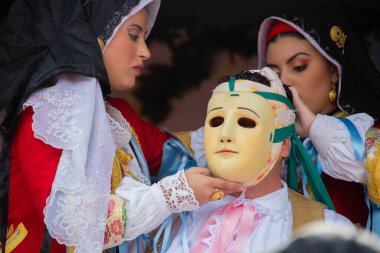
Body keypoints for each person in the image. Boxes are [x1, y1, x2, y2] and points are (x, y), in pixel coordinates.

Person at [0, 0, 244, 252]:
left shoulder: (118, 116)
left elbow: (181, 153)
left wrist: (248, 118)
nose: (145, 51)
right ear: (93, 38)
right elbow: (76, 226)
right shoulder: (45, 118)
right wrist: (171, 195)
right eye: (134, 35)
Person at [165, 68, 352, 253]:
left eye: (246, 122)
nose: (225, 135)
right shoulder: (180, 220)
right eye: (216, 121)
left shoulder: (326, 234)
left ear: (284, 144)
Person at [256, 2, 380, 231]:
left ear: (334, 71)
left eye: (299, 66)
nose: (285, 81)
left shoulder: (366, 133)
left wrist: (315, 126)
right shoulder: (275, 140)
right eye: (274, 73)